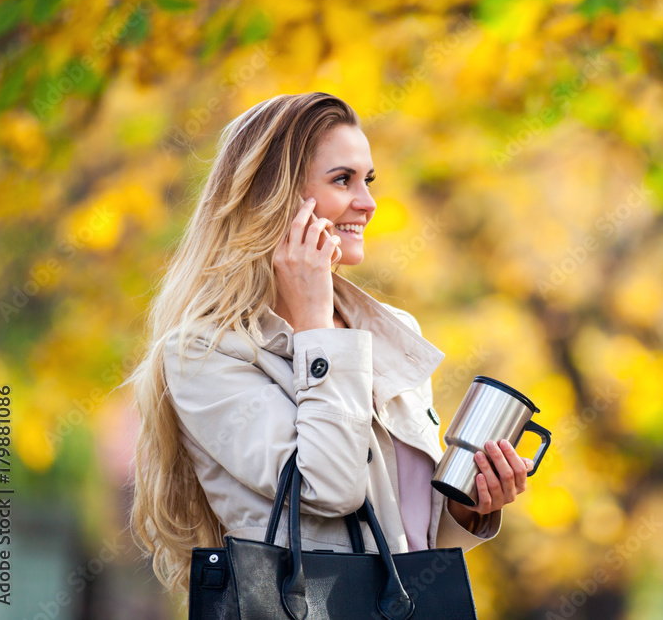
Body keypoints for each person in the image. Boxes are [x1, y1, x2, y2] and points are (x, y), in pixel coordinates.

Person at [127, 92, 532, 600]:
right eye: (343, 180)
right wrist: (314, 326)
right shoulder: (205, 352)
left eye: (369, 180)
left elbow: (406, 533)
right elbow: (331, 488)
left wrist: (467, 510)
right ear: (272, 198)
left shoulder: (386, 330)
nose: (367, 202)